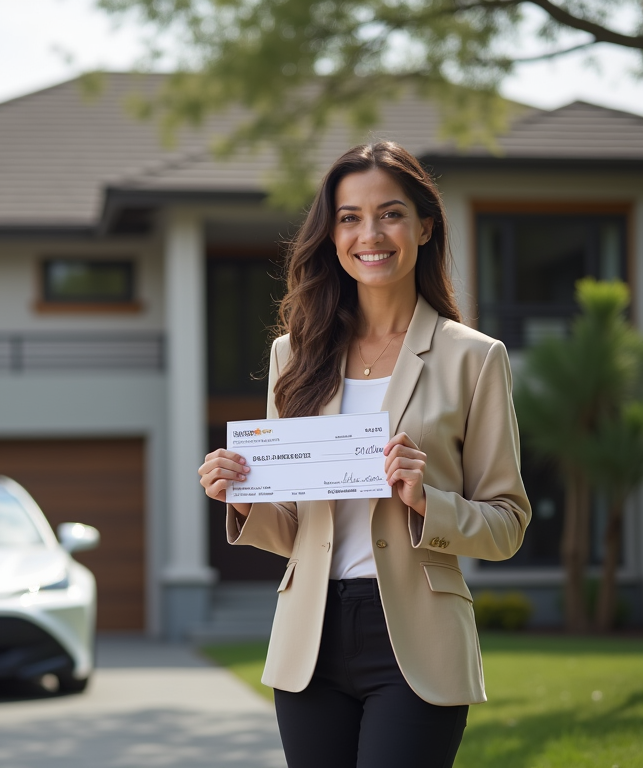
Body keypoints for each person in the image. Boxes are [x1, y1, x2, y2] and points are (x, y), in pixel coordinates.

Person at [198, 141, 531, 768]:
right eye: (349, 217)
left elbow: (507, 524)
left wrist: (425, 500)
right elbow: (293, 530)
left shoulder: (474, 357)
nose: (369, 234)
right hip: (310, 637)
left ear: (424, 227)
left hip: (416, 639)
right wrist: (242, 492)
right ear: (331, 235)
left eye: (391, 213)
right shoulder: (291, 356)